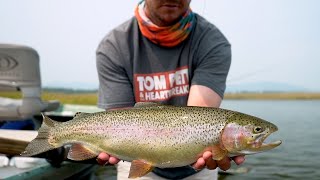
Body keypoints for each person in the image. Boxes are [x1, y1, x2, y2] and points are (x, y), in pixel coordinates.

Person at [95, 0, 245, 179]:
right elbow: (120, 125)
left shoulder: (212, 42)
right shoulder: (113, 46)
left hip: (198, 168)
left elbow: (199, 117)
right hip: (134, 161)